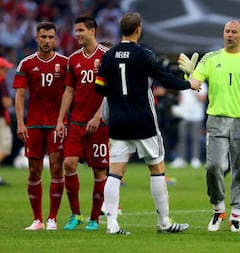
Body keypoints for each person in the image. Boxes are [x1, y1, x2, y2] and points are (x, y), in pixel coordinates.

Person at [95, 12, 201, 235]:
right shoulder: (145, 55)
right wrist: (188, 84)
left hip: (118, 121)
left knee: (114, 173)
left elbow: (99, 88)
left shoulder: (108, 56)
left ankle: (112, 225)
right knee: (157, 169)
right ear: (138, 29)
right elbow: (166, 79)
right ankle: (164, 222)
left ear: (121, 29)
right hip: (143, 121)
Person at [180, 20, 240, 232]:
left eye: (234, 32)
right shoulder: (211, 58)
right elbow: (196, 82)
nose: (230, 35)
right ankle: (218, 207)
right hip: (217, 120)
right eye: (227, 31)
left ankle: (237, 215)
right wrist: (188, 75)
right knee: (213, 167)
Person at [55, 15, 109, 231]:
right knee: (68, 164)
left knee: (99, 172)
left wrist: (97, 116)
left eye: (80, 30)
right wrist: (61, 119)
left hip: (99, 123)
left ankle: (95, 218)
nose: (76, 34)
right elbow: (69, 90)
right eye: (75, 30)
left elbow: (110, 91)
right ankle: (76, 214)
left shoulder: (106, 56)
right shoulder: (73, 59)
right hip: (76, 122)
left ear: (92, 31)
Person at [13, 22, 67, 230]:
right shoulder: (26, 64)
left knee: (56, 168)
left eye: (50, 37)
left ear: (55, 39)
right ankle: (37, 220)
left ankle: (52, 218)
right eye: (43, 37)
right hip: (34, 125)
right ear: (36, 38)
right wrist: (20, 122)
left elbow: (71, 92)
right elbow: (20, 94)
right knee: (34, 171)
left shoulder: (64, 63)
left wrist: (64, 120)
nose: (47, 41)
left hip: (57, 124)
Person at [170, 81, 207, 169]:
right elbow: (181, 98)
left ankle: (195, 159)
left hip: (197, 115)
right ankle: (181, 159)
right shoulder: (184, 83)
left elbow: (203, 99)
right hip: (184, 115)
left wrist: (193, 90)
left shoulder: (202, 84)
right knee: (182, 138)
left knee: (196, 139)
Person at [0, 57, 13, 187]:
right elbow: (6, 102)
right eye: (4, 68)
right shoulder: (1, 81)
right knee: (5, 147)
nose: (6, 71)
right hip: (1, 119)